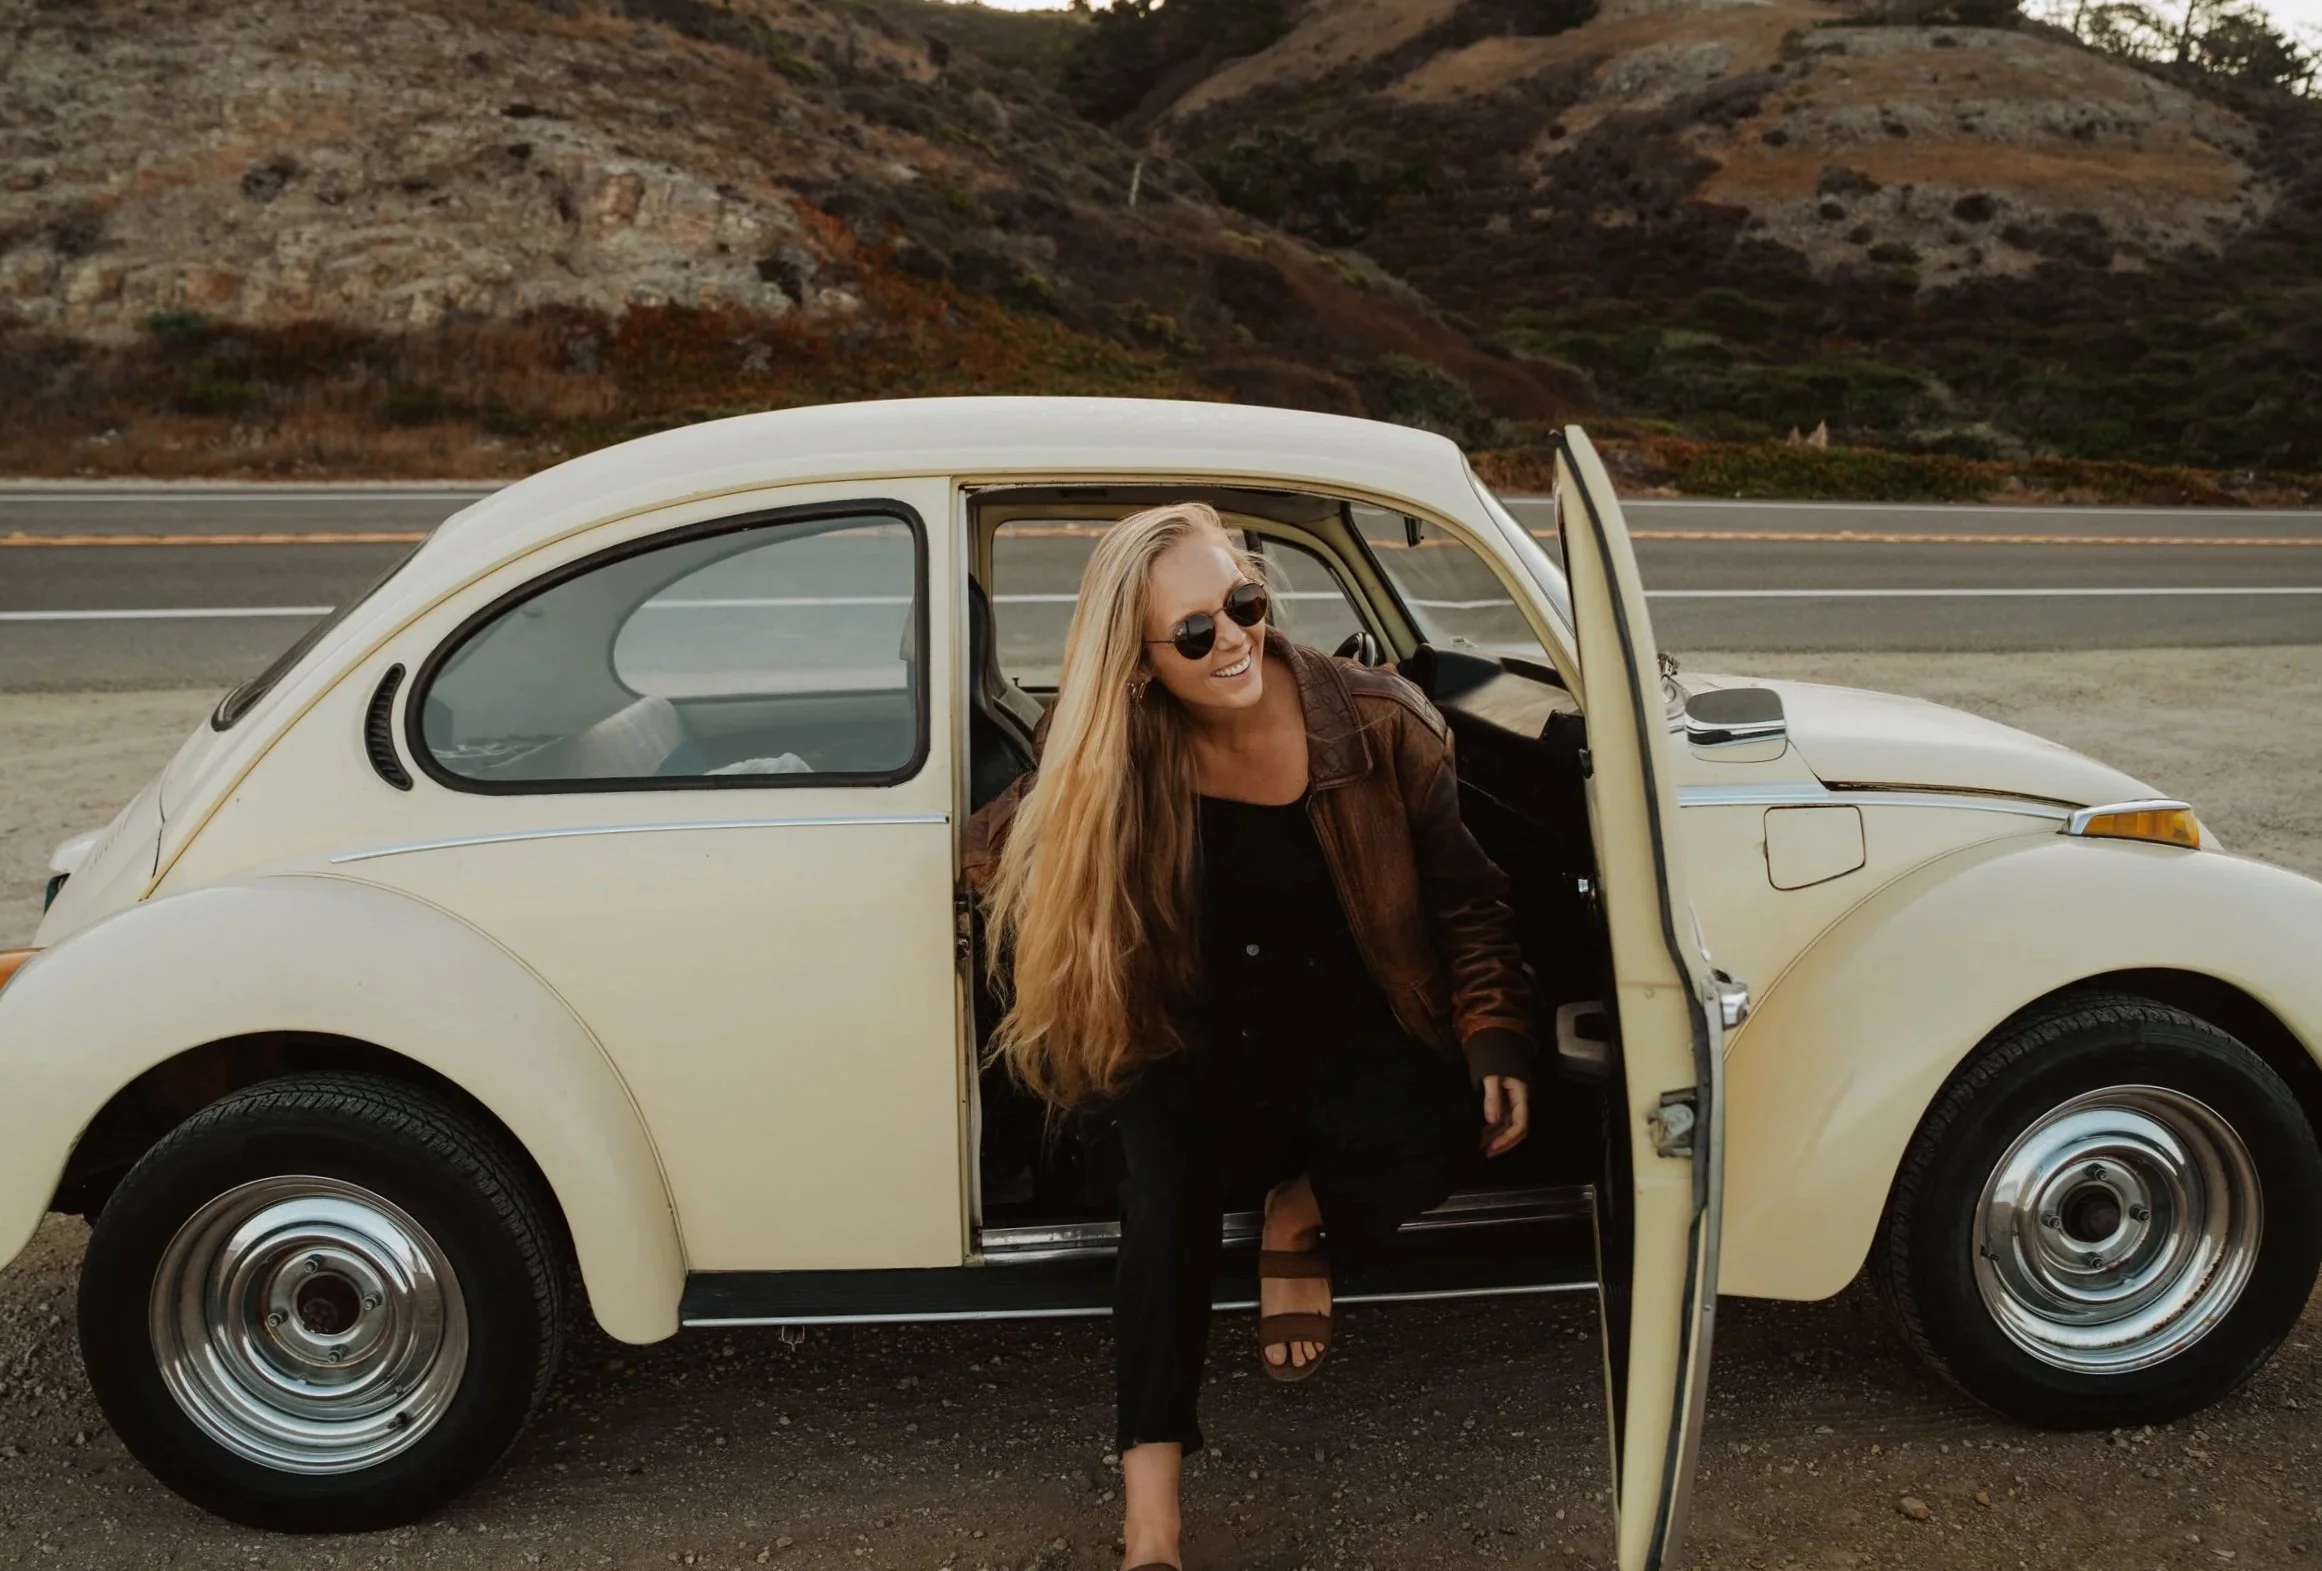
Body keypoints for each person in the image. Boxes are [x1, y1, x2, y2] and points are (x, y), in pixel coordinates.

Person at [963, 502, 1536, 1571]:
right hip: (1192, 1039)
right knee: (1159, 1200)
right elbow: (996, 853)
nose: (1232, 640)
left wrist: (1495, 1023)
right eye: (1193, 632)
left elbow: (1470, 899)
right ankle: (1153, 1531)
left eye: (1245, 604)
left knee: (1473, 1119)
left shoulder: (1375, 719)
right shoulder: (1105, 744)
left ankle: (1302, 1207)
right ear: (1135, 664)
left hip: (1353, 1028)